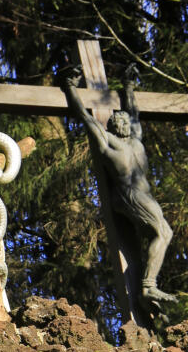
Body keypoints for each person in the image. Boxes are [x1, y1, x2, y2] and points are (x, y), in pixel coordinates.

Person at [64, 72, 175, 314]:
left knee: (161, 234)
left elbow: (134, 113)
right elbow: (85, 117)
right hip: (128, 195)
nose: (124, 122)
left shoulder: (136, 141)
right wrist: (71, 88)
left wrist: (129, 87)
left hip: (142, 196)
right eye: (119, 121)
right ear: (112, 126)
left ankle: (146, 289)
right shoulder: (109, 142)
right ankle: (148, 286)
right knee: (164, 231)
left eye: (125, 120)